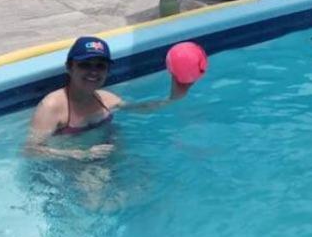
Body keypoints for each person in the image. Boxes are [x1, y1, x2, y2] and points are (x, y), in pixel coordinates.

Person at [26, 36, 192, 161]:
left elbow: (141, 109)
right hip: (71, 165)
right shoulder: (52, 106)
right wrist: (79, 154)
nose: (93, 72)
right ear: (69, 68)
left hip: (105, 158)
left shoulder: (107, 100)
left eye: (100, 66)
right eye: (85, 65)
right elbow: (31, 151)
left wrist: (173, 98)